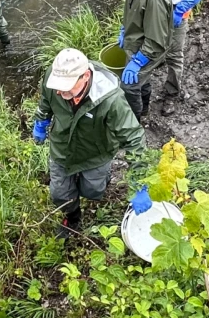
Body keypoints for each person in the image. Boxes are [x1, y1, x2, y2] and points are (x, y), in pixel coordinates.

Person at [33, 48, 153, 238]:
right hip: (62, 148)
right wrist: (41, 120)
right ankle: (72, 218)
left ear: (86, 76)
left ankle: (99, 180)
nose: (59, 90)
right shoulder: (54, 78)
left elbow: (133, 137)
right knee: (60, 194)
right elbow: (46, 100)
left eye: (66, 86)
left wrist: (138, 182)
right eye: (57, 85)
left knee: (93, 191)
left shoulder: (111, 100)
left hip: (96, 151)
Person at [105, 0, 174, 120]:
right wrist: (124, 29)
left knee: (129, 86)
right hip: (136, 40)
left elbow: (157, 39)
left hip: (150, 48)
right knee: (141, 82)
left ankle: (134, 122)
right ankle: (144, 109)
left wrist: (138, 61)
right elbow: (134, 12)